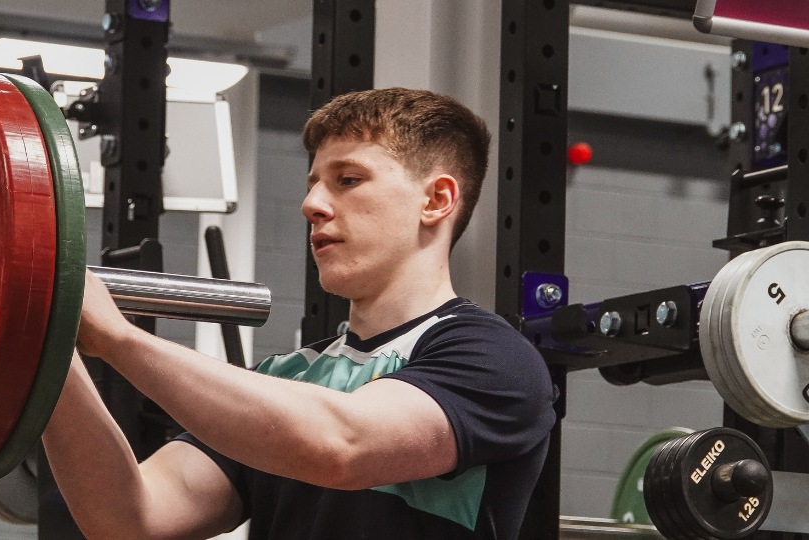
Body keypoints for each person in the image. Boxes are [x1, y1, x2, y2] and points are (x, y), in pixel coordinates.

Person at [40, 88, 556, 540]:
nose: (312, 204)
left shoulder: (493, 360)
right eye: (313, 184)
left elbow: (342, 446)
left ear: (436, 200)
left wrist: (118, 339)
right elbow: (131, 518)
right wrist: (46, 340)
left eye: (348, 179)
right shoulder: (287, 378)